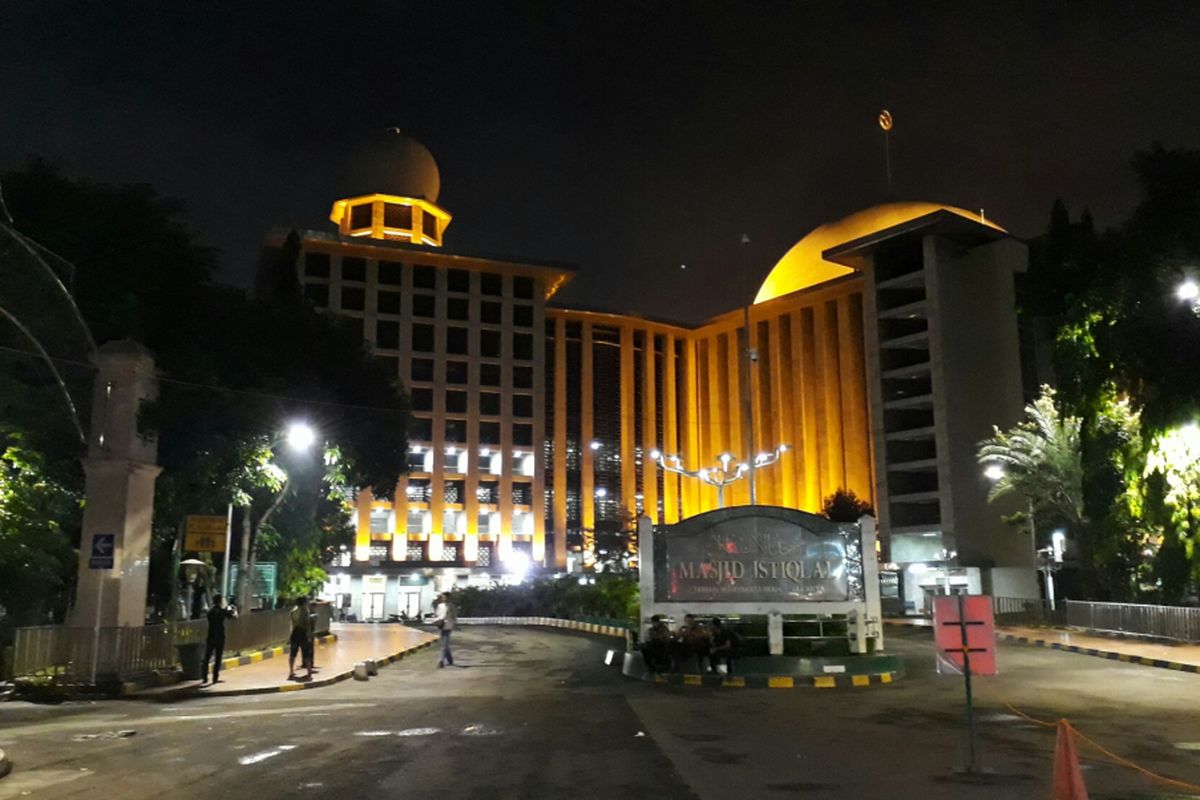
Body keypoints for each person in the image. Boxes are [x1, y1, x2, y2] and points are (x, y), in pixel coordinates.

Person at [201, 594, 237, 685]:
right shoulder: (222, 611)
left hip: (211, 636)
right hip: (220, 637)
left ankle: (204, 678)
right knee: (218, 658)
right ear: (220, 601)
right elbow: (234, 617)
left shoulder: (210, 611)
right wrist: (233, 609)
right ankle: (215, 678)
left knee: (207, 657)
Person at [288, 596, 314, 680]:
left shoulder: (293, 611)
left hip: (295, 633)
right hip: (302, 634)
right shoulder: (305, 611)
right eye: (306, 602)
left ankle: (291, 671)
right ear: (303, 603)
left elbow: (292, 623)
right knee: (306, 654)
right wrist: (309, 635)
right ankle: (309, 672)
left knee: (293, 654)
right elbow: (307, 624)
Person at [434, 593, 457, 668]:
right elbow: (437, 615)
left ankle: (441, 661)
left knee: (444, 644)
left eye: (445, 597)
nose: (444, 598)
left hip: (448, 626)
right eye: (442, 597)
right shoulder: (440, 606)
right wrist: (437, 621)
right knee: (444, 644)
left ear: (448, 598)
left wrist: (454, 624)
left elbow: (454, 616)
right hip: (441, 625)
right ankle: (450, 659)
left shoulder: (451, 606)